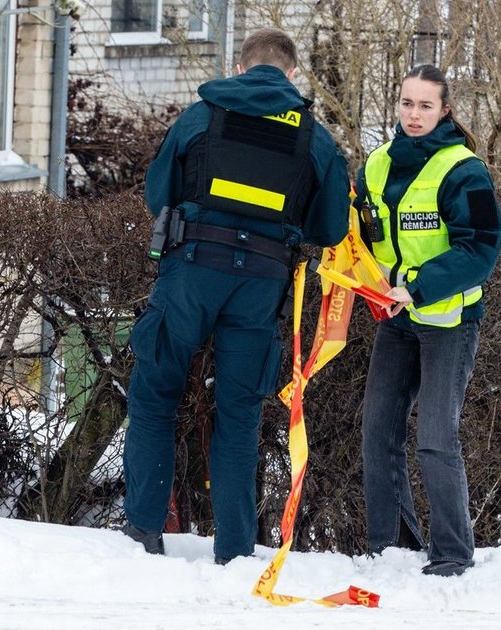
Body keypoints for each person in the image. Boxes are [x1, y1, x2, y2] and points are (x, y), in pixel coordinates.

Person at [121, 28, 350, 565]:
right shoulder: (313, 137)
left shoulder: (204, 114)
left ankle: (145, 531)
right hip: (261, 284)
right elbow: (331, 226)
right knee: (240, 414)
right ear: (292, 75)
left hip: (191, 273)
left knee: (155, 395)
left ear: (241, 68)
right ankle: (234, 549)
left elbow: (159, 192)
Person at [354, 64, 501, 577]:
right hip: (394, 319)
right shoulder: (373, 166)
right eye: (406, 103)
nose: (413, 115)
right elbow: (358, 233)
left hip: (449, 321)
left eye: (425, 105)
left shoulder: (464, 170)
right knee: (378, 431)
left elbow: (481, 248)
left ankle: (452, 555)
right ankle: (390, 547)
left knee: (436, 437)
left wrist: (416, 287)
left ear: (444, 110)